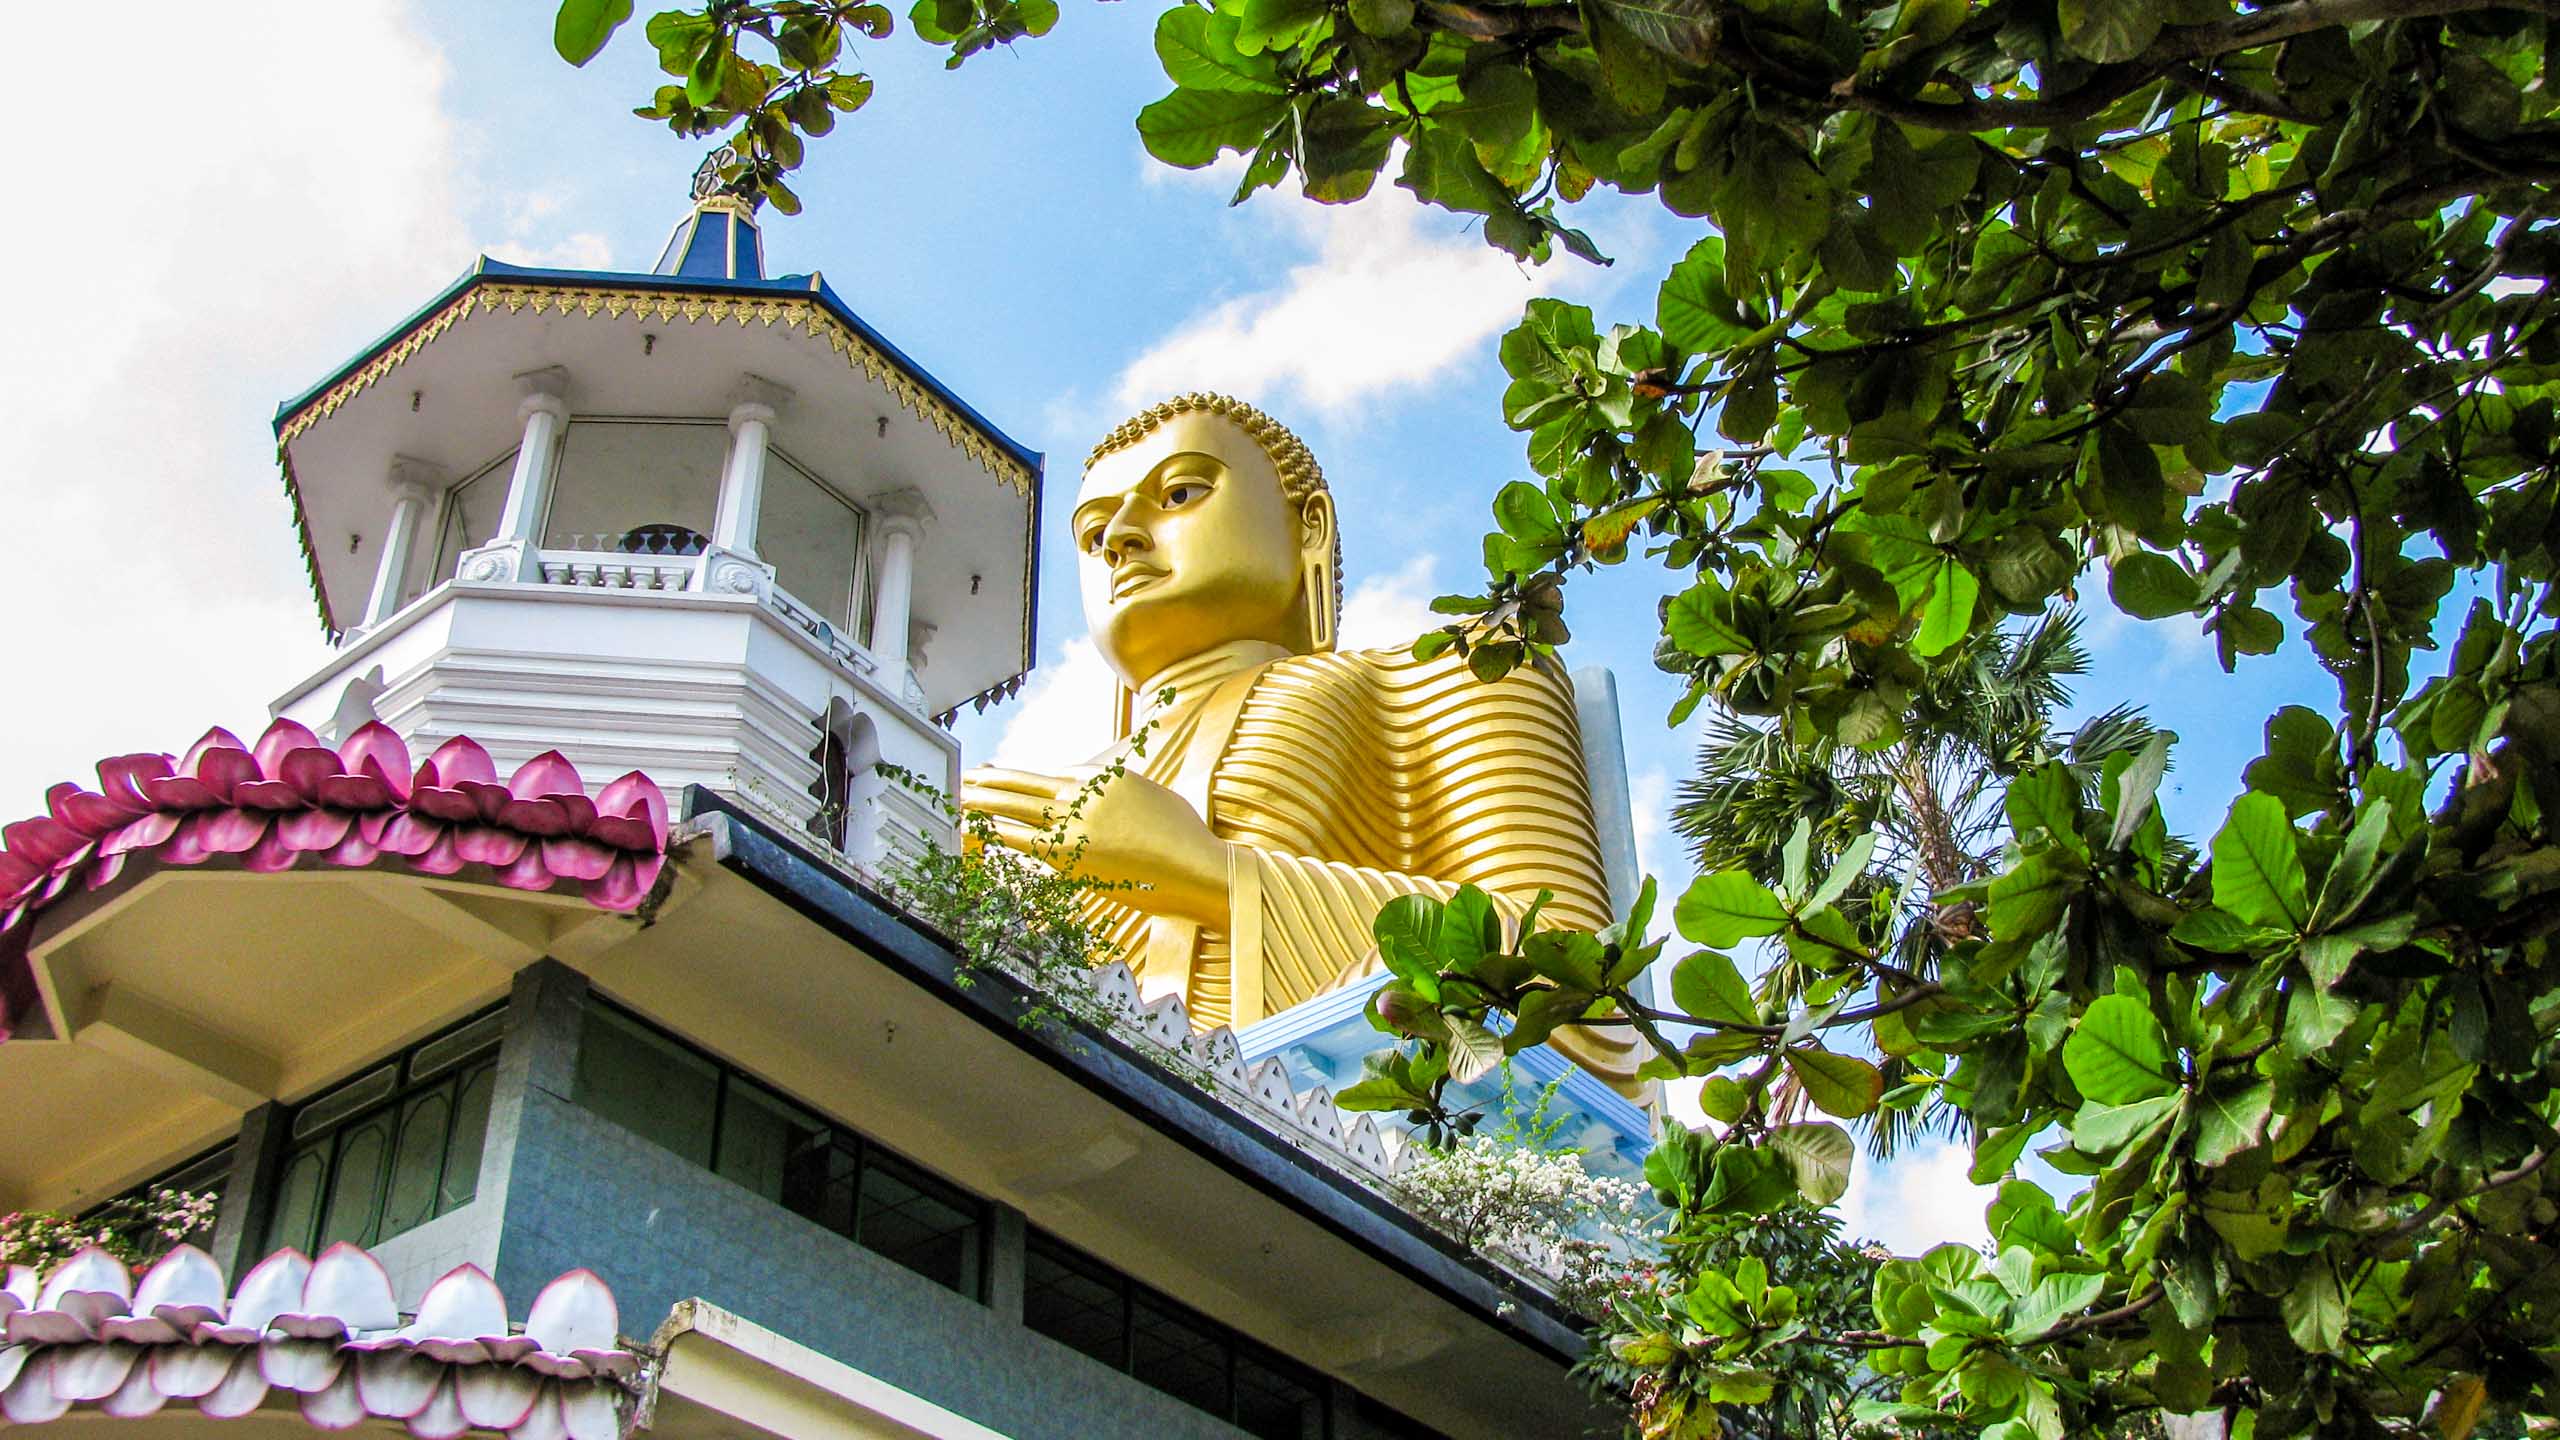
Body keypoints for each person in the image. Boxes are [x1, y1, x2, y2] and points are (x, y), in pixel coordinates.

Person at [963, 393, 1647, 1099]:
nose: (1122, 539)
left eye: (1179, 492)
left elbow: (1577, 984)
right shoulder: (1036, 800)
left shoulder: (1454, 669)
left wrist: (1210, 873)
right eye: (1093, 531)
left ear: (1309, 525)